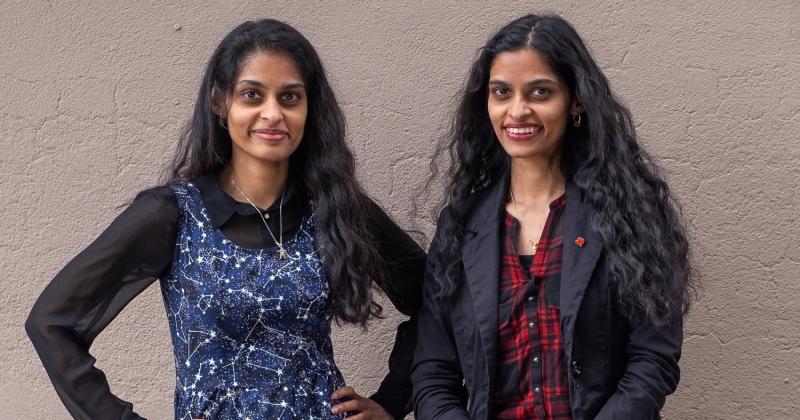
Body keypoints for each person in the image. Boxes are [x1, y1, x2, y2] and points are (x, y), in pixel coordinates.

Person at [26, 19, 424, 420]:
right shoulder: (175, 214)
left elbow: (437, 300)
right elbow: (52, 322)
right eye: (252, 95)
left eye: (289, 97)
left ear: (309, 108)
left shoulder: (336, 209)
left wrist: (391, 402)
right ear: (220, 102)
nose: (272, 114)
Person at [412, 14, 692, 420]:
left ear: (575, 100)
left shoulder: (629, 215)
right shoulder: (461, 224)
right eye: (501, 92)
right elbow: (433, 372)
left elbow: (653, 359)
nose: (517, 110)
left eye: (540, 92)